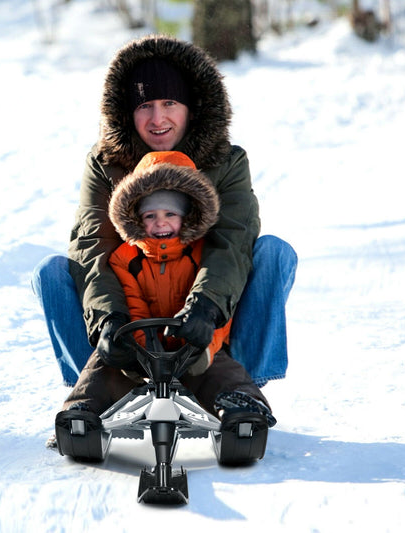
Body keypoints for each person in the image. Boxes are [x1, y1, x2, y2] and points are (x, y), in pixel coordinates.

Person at [32, 34, 297, 392]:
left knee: (274, 253)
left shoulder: (227, 162)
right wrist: (110, 318)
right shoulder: (105, 164)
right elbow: (93, 246)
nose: (157, 118)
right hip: (133, 314)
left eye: (170, 102)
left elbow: (232, 242)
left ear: (192, 107)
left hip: (204, 323)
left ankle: (240, 388)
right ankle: (96, 391)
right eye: (145, 106)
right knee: (52, 273)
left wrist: (206, 305)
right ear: (128, 112)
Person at [54, 151, 276, 462]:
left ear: (187, 216)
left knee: (221, 370)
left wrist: (203, 340)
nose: (160, 223)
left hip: (194, 345)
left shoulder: (200, 254)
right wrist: (133, 345)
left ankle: (241, 410)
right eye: (150, 216)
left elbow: (219, 302)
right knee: (103, 366)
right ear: (135, 218)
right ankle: (83, 413)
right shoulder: (125, 258)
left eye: (170, 214)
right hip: (141, 347)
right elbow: (133, 305)